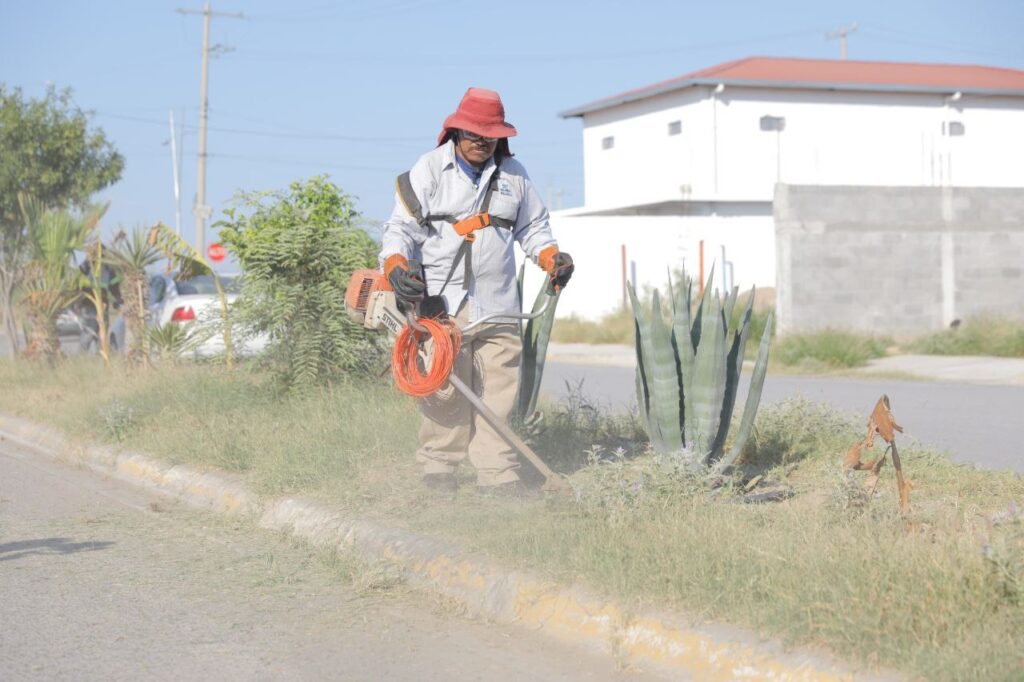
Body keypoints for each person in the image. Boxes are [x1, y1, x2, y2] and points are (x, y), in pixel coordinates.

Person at [379, 87, 573, 496]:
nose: (482, 142)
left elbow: (533, 228)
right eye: (474, 134)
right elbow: (400, 230)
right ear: (456, 131)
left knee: (497, 393)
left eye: (490, 136)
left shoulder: (515, 175)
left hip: (499, 302)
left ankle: (497, 474)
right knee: (446, 387)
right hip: (444, 302)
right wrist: (396, 267)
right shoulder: (430, 169)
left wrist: (551, 257)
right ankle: (439, 467)